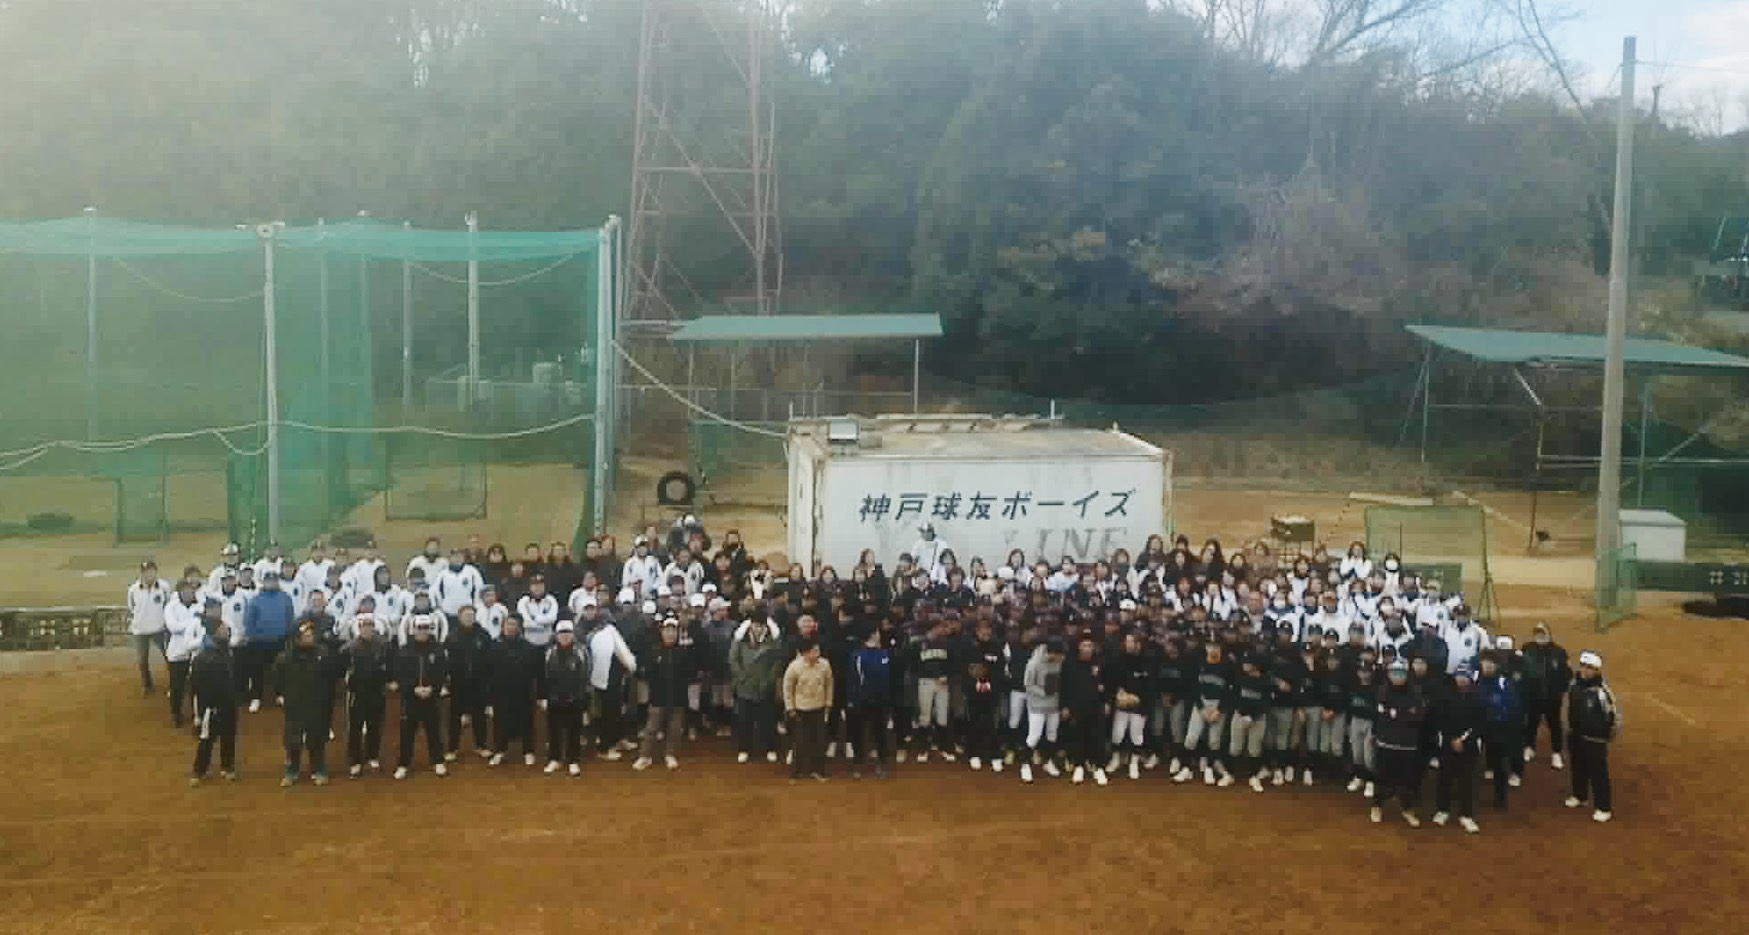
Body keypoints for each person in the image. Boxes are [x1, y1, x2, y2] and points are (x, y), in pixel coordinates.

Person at [274, 620, 337, 787]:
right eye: (305, 636)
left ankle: (319, 769)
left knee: (317, 738)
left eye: (311, 635)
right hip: (294, 705)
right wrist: (280, 695)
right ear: (297, 638)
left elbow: (331, 679)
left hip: (317, 704)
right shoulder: (285, 658)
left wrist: (327, 700)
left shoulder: (323, 654)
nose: (309, 638)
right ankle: (292, 771)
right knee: (292, 740)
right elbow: (278, 680)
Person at [1564, 651, 1620, 823]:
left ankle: (1603, 807)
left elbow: (1613, 717)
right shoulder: (1574, 686)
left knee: (1598, 773)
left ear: (1596, 670)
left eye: (1589, 667)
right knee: (1577, 767)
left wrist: (1605, 736)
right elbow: (1570, 708)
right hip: (1577, 735)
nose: (1585, 670)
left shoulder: (1602, 692)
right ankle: (1580, 796)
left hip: (1595, 739)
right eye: (1583, 666)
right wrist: (1571, 730)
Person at [393, 614, 450, 780]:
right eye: (420, 628)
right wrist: (413, 689)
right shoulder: (404, 650)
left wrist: (433, 688)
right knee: (407, 732)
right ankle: (403, 764)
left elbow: (442, 673)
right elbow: (400, 674)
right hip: (411, 698)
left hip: (432, 697)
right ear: (413, 629)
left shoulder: (438, 650)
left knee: (434, 730)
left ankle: (438, 761)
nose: (423, 631)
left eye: (426, 628)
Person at [1372, 658, 1427, 827]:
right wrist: (1402, 714)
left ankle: (1407, 809)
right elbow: (1381, 717)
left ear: (1407, 675)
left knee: (1407, 780)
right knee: (1382, 778)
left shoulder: (1415, 693)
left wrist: (1396, 714)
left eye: (1401, 673)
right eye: (1394, 673)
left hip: (1407, 745)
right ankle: (1377, 806)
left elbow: (1418, 717)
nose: (1397, 677)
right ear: (1388, 674)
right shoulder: (1382, 692)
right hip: (1385, 743)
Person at [1432, 664, 1484, 834]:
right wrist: (1452, 739)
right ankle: (1442, 810)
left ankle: (1466, 814)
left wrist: (1464, 739)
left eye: (1465, 676)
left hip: (1469, 746)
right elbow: (1440, 719)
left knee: (1466, 781)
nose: (1461, 679)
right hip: (1448, 743)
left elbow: (1480, 723)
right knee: (1444, 777)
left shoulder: (1477, 698)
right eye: (1459, 676)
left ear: (1470, 678)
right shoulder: (1445, 695)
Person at [340, 613, 392, 777]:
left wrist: (388, 681)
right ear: (359, 628)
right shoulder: (349, 648)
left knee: (374, 726)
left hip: (376, 692)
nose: (367, 629)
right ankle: (354, 761)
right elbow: (341, 670)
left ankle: (372, 757)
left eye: (370, 626)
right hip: (357, 693)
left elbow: (390, 666)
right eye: (364, 626)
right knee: (355, 728)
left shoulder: (383, 646)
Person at [1176, 641, 1234, 787]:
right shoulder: (1199, 664)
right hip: (1201, 704)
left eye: (1216, 647)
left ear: (1220, 649)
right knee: (1191, 738)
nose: (1213, 650)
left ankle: (1209, 769)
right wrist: (1201, 708)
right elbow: (1194, 688)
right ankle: (1186, 769)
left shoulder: (1227, 667)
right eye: (1210, 647)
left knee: (1214, 741)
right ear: (1206, 648)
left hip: (1218, 706)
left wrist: (1219, 710)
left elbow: (1229, 692)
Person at [189, 619, 240, 785]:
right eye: (223, 628)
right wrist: (198, 713)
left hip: (229, 703)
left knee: (228, 736)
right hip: (211, 706)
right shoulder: (203, 658)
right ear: (214, 633)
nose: (227, 630)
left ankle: (227, 766)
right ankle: (199, 771)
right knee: (206, 738)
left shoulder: (228, 652)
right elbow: (195, 687)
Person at [635, 618, 690, 772]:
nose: (670, 634)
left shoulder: (683, 653)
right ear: (662, 632)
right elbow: (647, 674)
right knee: (651, 728)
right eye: (667, 630)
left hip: (678, 698)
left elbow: (688, 674)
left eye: (673, 631)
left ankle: (670, 754)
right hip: (657, 698)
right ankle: (645, 756)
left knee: (675, 729)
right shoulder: (654, 651)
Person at [487, 614, 543, 767]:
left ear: (519, 628)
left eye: (514, 625)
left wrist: (540, 695)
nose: (510, 627)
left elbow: (538, 673)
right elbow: (487, 673)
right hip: (500, 694)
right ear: (503, 627)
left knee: (526, 723)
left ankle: (528, 751)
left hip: (523, 693)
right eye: (508, 624)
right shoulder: (493, 647)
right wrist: (488, 699)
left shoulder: (529, 648)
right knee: (500, 723)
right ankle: (500, 751)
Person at [729, 615, 785, 764]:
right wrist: (741, 677)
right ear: (750, 626)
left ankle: (770, 749)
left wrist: (769, 680)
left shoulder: (772, 641)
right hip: (745, 687)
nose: (758, 629)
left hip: (765, 687)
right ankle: (744, 749)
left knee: (768, 720)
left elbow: (777, 661)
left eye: (761, 626)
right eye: (755, 625)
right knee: (744, 721)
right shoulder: (741, 641)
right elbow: (733, 659)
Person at [241, 570, 296, 713]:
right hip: (259, 642)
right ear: (264, 582)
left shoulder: (286, 598)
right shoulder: (256, 599)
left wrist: (288, 636)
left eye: (274, 580)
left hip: (279, 641)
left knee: (281, 669)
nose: (271, 583)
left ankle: (280, 694)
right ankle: (256, 697)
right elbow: (249, 621)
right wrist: (251, 638)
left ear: (277, 582)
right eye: (268, 581)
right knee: (256, 671)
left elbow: (290, 618)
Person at [445, 605, 495, 762]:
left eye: (471, 615)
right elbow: (446, 661)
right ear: (460, 617)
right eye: (466, 615)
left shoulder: (483, 635)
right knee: (455, 717)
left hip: (478, 682)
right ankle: (452, 748)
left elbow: (490, 660)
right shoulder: (452, 636)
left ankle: (481, 745)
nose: (469, 618)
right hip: (458, 683)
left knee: (479, 715)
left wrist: (487, 680)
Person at [1520, 622, 1571, 771]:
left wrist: (1559, 691)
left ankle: (1556, 753)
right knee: (1531, 723)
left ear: (1548, 634)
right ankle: (1529, 747)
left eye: (1542, 633)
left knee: (1555, 725)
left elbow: (1567, 674)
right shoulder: (1526, 649)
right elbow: (1521, 670)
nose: (1540, 636)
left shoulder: (1559, 652)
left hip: (1552, 698)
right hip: (1533, 696)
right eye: (1537, 633)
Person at [844, 627, 894, 778]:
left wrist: (888, 701)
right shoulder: (857, 656)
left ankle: (882, 763)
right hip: (861, 701)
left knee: (880, 733)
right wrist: (852, 701)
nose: (879, 635)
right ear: (871, 636)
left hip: (880, 702)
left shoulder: (885, 654)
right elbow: (852, 680)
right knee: (858, 733)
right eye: (876, 633)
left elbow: (888, 680)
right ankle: (858, 763)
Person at [782, 638, 835, 781]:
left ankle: (818, 771)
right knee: (799, 742)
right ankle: (796, 772)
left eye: (818, 650)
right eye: (814, 651)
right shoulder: (794, 667)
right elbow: (787, 689)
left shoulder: (825, 665)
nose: (817, 653)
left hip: (819, 708)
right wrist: (790, 708)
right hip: (800, 710)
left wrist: (828, 704)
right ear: (805, 653)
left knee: (819, 742)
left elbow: (829, 685)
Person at [542, 620, 590, 776]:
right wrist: (545, 697)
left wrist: (583, 699)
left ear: (573, 635)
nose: (565, 636)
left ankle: (573, 760)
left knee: (574, 731)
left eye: (568, 633)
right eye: (562, 633)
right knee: (554, 730)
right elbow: (545, 676)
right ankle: (554, 759)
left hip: (575, 698)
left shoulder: (581, 652)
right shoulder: (550, 653)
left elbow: (585, 676)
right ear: (556, 635)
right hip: (554, 698)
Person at [1060, 635, 1108, 786]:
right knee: (1078, 737)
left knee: (1097, 738)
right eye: (1084, 645)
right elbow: (1064, 686)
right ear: (1079, 647)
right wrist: (1065, 706)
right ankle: (1079, 767)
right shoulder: (1069, 663)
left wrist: (1106, 701)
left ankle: (1098, 768)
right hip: (1076, 707)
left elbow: (1106, 684)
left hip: (1096, 707)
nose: (1087, 649)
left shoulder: (1099, 663)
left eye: (1090, 645)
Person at [1107, 631, 1155, 781]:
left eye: (1131, 642)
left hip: (1140, 705)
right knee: (1117, 733)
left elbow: (1151, 685)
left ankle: (1134, 763)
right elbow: (1113, 681)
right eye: (1126, 641)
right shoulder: (1119, 659)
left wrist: (1142, 702)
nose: (1128, 644)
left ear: (1138, 644)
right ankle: (1116, 759)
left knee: (1136, 734)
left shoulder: (1147, 661)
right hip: (1121, 703)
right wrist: (1119, 693)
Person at [1477, 651, 1523, 806]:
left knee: (1500, 763)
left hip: (1499, 727)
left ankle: (1500, 797)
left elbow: (1513, 706)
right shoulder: (1475, 680)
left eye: (1491, 663)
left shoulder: (1504, 683)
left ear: (1497, 665)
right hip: (1479, 726)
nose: (1487, 666)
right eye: (1485, 663)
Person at [1020, 638, 1065, 783]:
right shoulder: (1034, 663)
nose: (1061, 658)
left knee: (1052, 734)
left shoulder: (1060, 662)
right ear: (1052, 653)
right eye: (1059, 655)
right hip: (1037, 705)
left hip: (1054, 705)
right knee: (1034, 736)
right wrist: (1043, 692)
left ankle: (1048, 762)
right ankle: (1025, 765)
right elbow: (1027, 684)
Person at [163, 580, 206, 727]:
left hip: (195, 653)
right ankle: (176, 713)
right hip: (177, 652)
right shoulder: (171, 607)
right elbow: (173, 627)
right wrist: (192, 625)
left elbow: (203, 626)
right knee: (177, 686)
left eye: (191, 591)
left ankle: (197, 714)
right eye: (185, 591)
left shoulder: (200, 606)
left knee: (197, 685)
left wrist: (187, 626)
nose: (188, 593)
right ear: (179, 592)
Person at [126, 560, 172, 698]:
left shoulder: (164, 587)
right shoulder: (133, 590)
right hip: (140, 630)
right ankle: (147, 685)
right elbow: (132, 608)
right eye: (146, 572)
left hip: (160, 628)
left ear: (156, 572)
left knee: (170, 656)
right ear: (142, 573)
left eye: (151, 571)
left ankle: (175, 682)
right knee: (142, 660)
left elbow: (168, 605)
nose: (149, 574)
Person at [1229, 654, 1272, 793]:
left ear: (1255, 666)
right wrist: (1242, 713)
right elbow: (1234, 697)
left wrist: (1252, 716)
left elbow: (1266, 703)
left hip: (1258, 719)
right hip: (1240, 716)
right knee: (1235, 747)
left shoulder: (1265, 681)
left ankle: (1253, 776)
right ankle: (1230, 775)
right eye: (1244, 663)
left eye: (1247, 663)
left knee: (1254, 748)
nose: (1244, 666)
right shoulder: (1240, 678)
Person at [434, 548, 484, 619]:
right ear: (449, 558)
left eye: (460, 556)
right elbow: (436, 591)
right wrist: (441, 605)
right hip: (448, 612)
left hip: (467, 612)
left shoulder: (472, 571)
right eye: (454, 556)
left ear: (464, 558)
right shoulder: (442, 574)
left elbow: (479, 589)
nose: (457, 558)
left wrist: (476, 605)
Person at [516, 575, 559, 649]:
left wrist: (536, 618)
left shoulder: (551, 600)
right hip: (528, 642)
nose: (537, 588)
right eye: (535, 585)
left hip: (547, 642)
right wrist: (543, 624)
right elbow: (526, 622)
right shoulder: (523, 601)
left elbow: (552, 618)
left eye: (540, 585)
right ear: (530, 587)